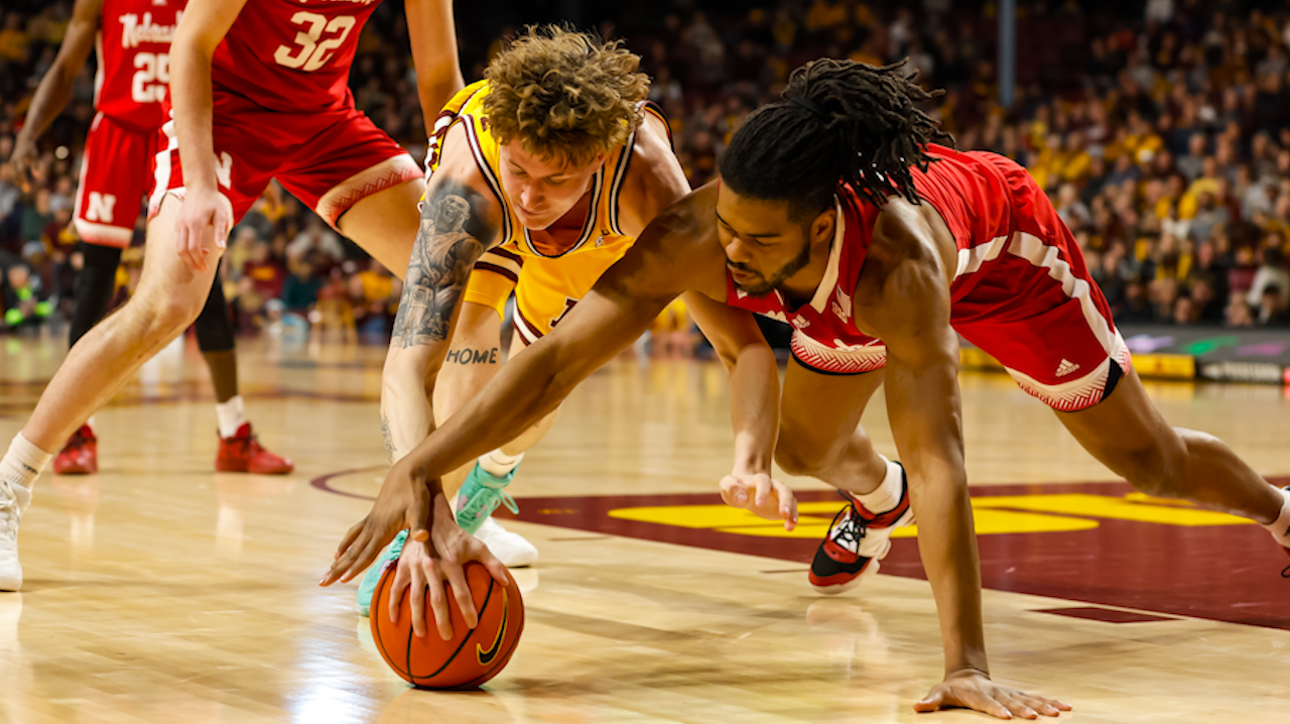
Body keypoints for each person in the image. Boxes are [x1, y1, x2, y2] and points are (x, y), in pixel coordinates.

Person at [325, 59, 1290, 719]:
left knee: (1147, 461)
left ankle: (1278, 511)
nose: (731, 258)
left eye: (759, 244)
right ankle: (875, 508)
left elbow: (946, 463)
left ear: (823, 222)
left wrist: (965, 667)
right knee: (798, 448)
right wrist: (419, 466)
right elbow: (555, 359)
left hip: (1008, 262)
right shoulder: (709, 226)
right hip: (848, 290)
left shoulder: (897, 276)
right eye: (728, 230)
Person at [0, 0, 465, 592]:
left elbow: (439, 80)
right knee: (168, 304)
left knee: (459, 277)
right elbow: (190, 42)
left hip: (321, 122)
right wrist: (198, 185)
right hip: (223, 115)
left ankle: (464, 502)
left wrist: (460, 187)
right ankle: (8, 486)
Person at [356, 26, 776, 614]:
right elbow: (406, 367)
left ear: (600, 158)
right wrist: (426, 515)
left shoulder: (648, 184)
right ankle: (426, 532)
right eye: (521, 169)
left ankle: (491, 480)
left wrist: (749, 456)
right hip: (485, 212)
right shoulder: (471, 185)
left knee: (536, 383)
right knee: (466, 347)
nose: (530, 197)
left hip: (591, 240)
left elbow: (743, 346)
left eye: (555, 179)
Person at [9, 0, 293, 476]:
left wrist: (277, 169)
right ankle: (77, 432)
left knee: (207, 277)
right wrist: (28, 134)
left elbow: (253, 73)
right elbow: (65, 66)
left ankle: (233, 433)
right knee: (95, 281)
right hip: (118, 133)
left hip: (187, 133)